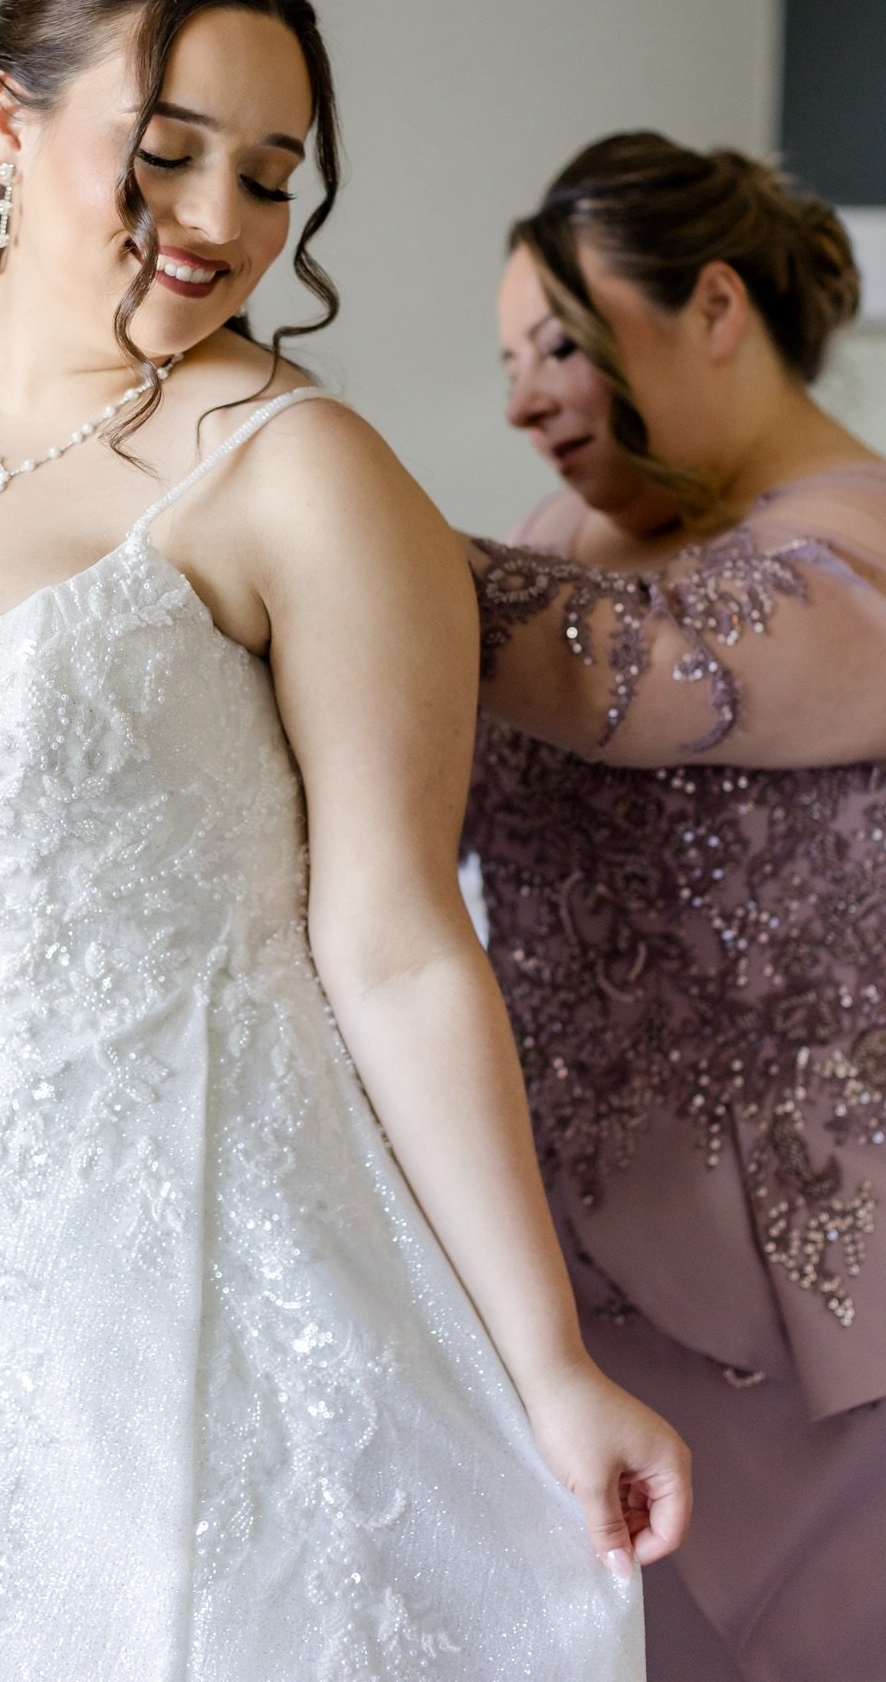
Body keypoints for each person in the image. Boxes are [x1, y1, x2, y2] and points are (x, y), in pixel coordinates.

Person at [0, 0, 685, 1679]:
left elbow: (402, 947)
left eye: (271, 176)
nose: (220, 223)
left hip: (173, 1254)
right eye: (171, 151)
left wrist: (551, 1360)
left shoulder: (297, 477)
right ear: (10, 125)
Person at [463, 130, 886, 1681]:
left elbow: (635, 667)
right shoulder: (549, 547)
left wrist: (316, 523)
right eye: (507, 361)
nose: (522, 400)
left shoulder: (863, 539)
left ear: (716, 304)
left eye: (559, 345)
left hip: (815, 1329)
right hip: (563, 1285)